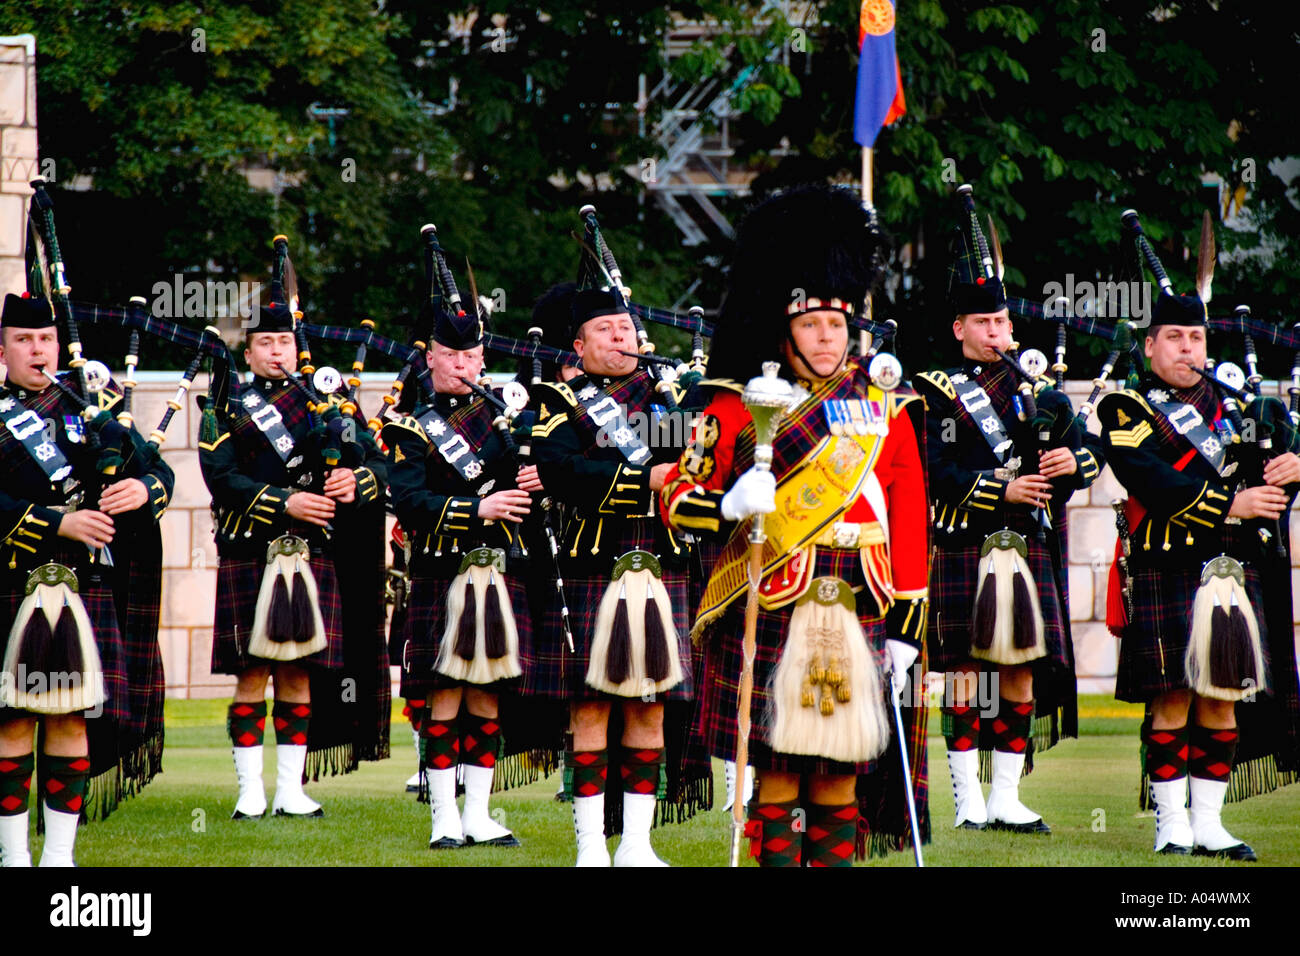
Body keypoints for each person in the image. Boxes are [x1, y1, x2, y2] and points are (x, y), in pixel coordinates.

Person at [662, 184, 931, 867]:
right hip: (776, 596)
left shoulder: (886, 408)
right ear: (785, 328)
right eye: (812, 325)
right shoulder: (739, 403)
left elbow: (907, 518)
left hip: (861, 599)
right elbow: (678, 494)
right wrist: (726, 504)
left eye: (837, 326)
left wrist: (906, 627)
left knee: (841, 769)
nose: (827, 338)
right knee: (779, 771)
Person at [913, 208, 1098, 834]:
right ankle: (967, 801)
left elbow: (1089, 455)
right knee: (967, 672)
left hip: (1026, 552)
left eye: (1003, 320)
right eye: (984, 322)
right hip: (966, 543)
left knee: (1018, 669)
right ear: (959, 327)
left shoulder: (1038, 393)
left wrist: (1076, 459)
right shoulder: (934, 392)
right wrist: (1001, 488)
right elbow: (932, 470)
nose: (997, 331)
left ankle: (1006, 799)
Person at [1098, 292, 1300, 859]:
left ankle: (1209, 823)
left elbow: (1273, 477)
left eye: (1197, 339)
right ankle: (1170, 824)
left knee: (1222, 696)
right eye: (1175, 339)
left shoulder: (1239, 405)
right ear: (1149, 345)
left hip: (1232, 569)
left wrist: (1294, 465)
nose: (1188, 350)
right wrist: (1231, 504)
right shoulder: (1127, 407)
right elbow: (1148, 476)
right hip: (1167, 562)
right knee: (1172, 695)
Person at [530, 285, 701, 867]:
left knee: (651, 704)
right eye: (605, 330)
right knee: (590, 705)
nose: (620, 337)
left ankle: (636, 844)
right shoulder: (559, 401)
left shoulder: (667, 398)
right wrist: (643, 482)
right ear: (578, 346)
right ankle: (588, 848)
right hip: (593, 567)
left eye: (626, 328)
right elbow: (561, 470)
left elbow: (697, 460)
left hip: (660, 564)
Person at [0, 292, 173, 866]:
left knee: (71, 714)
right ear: (2, 349)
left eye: (46, 338)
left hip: (84, 587)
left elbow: (159, 468)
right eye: (24, 340)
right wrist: (58, 522)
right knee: (14, 715)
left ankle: (59, 857)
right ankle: (13, 855)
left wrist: (145, 489)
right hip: (13, 582)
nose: (37, 350)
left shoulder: (88, 409)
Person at [199, 293, 387, 820]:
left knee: (301, 671)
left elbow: (376, 463)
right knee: (252, 670)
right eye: (265, 342)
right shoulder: (225, 405)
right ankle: (248, 790)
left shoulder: (325, 405)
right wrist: (287, 502)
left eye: (284, 341)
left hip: (313, 553)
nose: (276, 351)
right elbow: (220, 479)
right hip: (250, 551)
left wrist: (355, 480)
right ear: (249, 350)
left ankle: (289, 789)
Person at [382, 298, 534, 848]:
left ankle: (479, 814)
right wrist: (478, 511)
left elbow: (528, 492)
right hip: (442, 571)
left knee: (488, 691)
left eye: (471, 354)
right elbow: (410, 500)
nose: (463, 365)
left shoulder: (507, 420)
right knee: (443, 691)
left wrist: (534, 477)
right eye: (451, 354)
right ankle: (443, 814)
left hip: (498, 572)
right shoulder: (410, 424)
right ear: (430, 357)